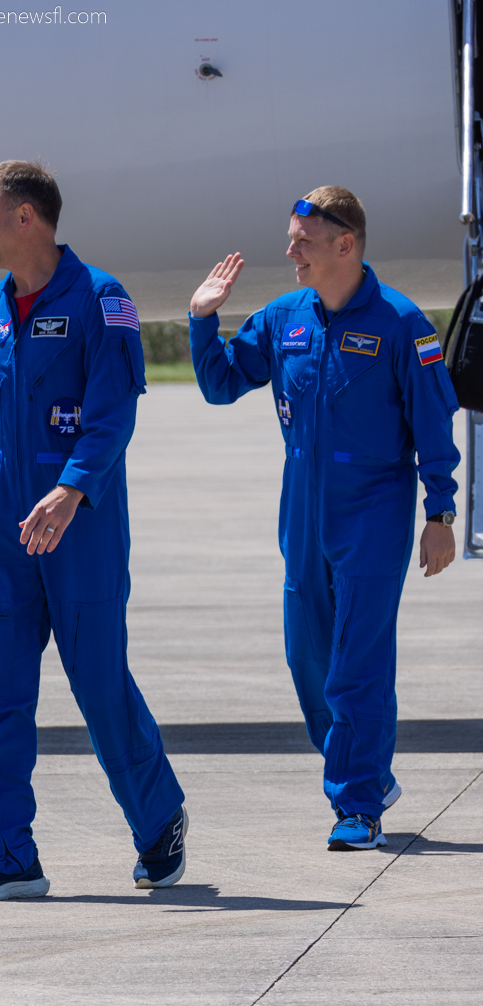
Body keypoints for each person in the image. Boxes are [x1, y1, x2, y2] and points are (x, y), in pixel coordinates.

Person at [189, 187, 459, 851]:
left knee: (355, 665)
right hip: (302, 508)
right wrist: (202, 322)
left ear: (346, 245)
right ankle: (360, 768)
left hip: (373, 508)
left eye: (303, 242)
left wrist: (441, 511)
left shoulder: (402, 324)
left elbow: (433, 425)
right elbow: (223, 384)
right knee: (306, 658)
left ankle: (357, 804)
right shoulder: (284, 319)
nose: (290, 252)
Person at [0, 161, 186, 901]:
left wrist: (71, 490)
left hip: (79, 531)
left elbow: (114, 413)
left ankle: (158, 821)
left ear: (27, 219)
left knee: (100, 688)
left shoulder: (101, 300)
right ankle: (8, 858)